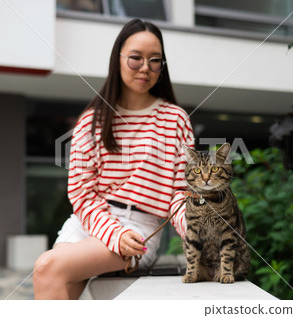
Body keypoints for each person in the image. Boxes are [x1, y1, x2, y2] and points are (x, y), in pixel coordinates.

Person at [33, 18, 194, 300]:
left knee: (47, 267)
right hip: (88, 222)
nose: (145, 67)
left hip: (138, 230)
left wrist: (197, 231)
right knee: (51, 276)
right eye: (135, 58)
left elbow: (180, 193)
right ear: (117, 59)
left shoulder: (175, 120)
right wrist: (112, 233)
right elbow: (82, 194)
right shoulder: (92, 120)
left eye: (155, 60)